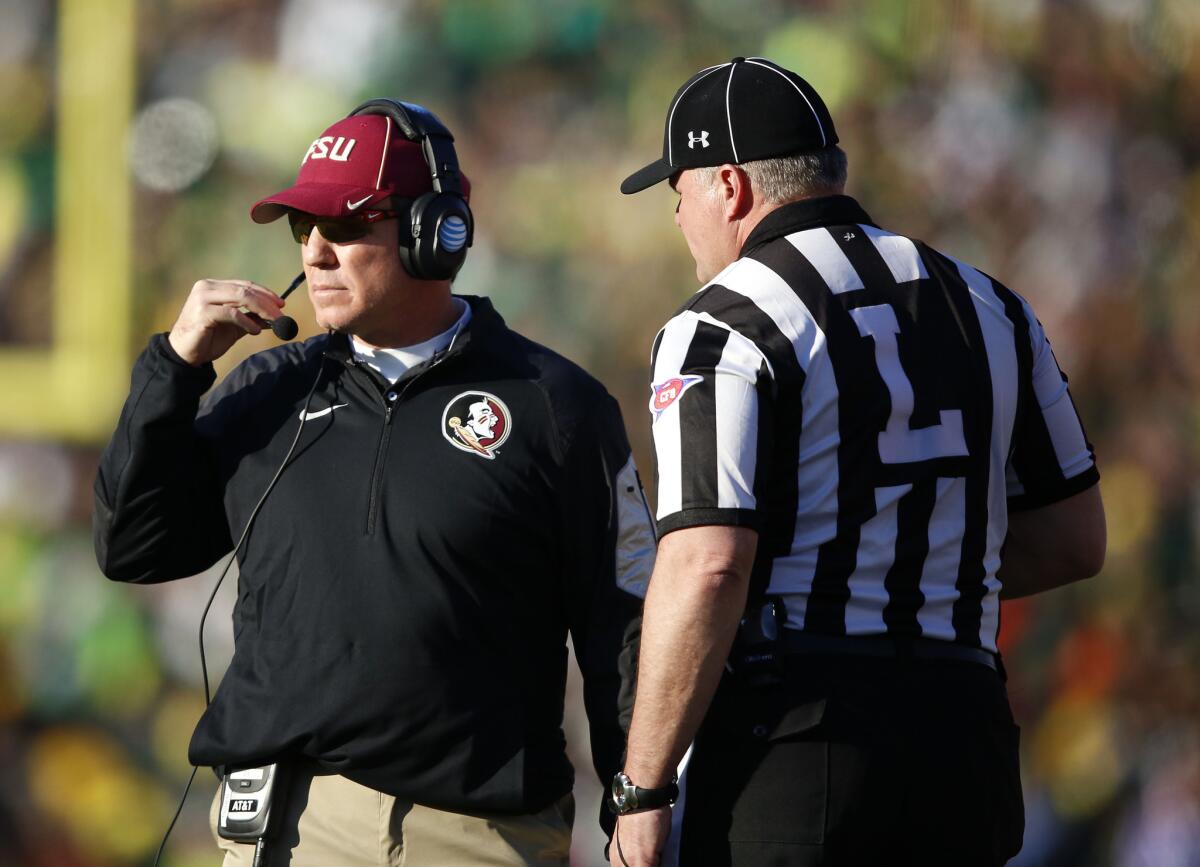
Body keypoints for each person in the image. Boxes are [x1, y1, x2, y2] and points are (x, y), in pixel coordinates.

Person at [93, 98, 654, 866]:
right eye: (304, 229)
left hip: (472, 837)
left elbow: (623, 630)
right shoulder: (268, 389)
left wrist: (642, 800)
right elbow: (133, 545)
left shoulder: (553, 405)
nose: (317, 252)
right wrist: (176, 368)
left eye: (347, 226)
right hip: (284, 832)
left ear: (436, 233)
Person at [610, 57, 1106, 866]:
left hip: (803, 733)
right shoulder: (992, 303)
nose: (677, 217)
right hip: (966, 731)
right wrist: (913, 565)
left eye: (681, 191)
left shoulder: (722, 323)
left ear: (729, 187)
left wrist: (644, 785)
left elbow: (706, 564)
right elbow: (1076, 537)